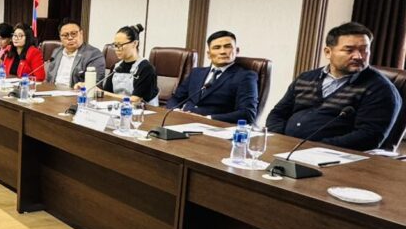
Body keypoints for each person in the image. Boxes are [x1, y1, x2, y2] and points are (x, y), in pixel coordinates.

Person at [266, 22, 401, 150]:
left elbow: (368, 137)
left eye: (364, 50)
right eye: (349, 50)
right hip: (286, 147)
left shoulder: (380, 89)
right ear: (328, 52)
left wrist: (313, 148)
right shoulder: (306, 78)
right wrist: (280, 139)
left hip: (333, 156)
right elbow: (277, 114)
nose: (358, 56)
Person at [168, 30, 259, 122]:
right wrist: (176, 111)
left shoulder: (245, 76)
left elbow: (247, 113)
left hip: (214, 125)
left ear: (237, 51)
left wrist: (208, 118)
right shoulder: (196, 73)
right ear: (208, 54)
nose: (222, 51)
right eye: (217, 47)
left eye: (227, 47)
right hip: (182, 121)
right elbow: (175, 99)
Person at [97, 23, 159, 104]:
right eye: (115, 45)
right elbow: (108, 94)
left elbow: (135, 100)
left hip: (142, 110)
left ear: (135, 43)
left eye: (120, 45)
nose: (117, 49)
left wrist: (104, 93)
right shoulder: (116, 67)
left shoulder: (146, 68)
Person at [45, 19, 106, 88]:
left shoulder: (94, 54)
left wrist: (84, 85)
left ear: (81, 33)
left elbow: (96, 83)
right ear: (60, 37)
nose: (70, 38)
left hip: (76, 93)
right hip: (53, 91)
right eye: (65, 35)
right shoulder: (57, 52)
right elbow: (49, 79)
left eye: (73, 34)